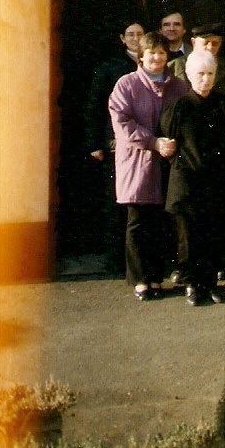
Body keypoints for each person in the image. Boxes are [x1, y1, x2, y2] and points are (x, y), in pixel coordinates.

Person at [160, 50, 225, 306]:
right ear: (188, 75)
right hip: (187, 183)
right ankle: (193, 284)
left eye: (210, 74)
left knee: (213, 235)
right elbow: (169, 143)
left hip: (216, 182)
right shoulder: (179, 107)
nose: (205, 79)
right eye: (200, 74)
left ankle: (210, 284)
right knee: (189, 237)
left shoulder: (224, 105)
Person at [108, 31, 189, 301]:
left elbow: (186, 119)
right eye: (151, 53)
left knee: (162, 224)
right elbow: (121, 123)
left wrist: (174, 144)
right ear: (141, 56)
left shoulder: (178, 86)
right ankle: (140, 280)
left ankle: (157, 277)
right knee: (138, 222)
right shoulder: (126, 84)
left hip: (168, 164)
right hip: (138, 163)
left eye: (161, 53)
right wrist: (153, 142)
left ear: (168, 56)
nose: (156, 58)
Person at [84, 19, 144, 272]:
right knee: (115, 202)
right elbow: (96, 106)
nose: (134, 38)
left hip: (145, 143)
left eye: (139, 34)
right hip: (114, 143)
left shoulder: (154, 62)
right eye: (130, 34)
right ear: (122, 38)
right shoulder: (110, 68)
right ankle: (115, 259)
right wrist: (94, 142)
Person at [168, 23, 225, 98]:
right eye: (206, 43)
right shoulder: (174, 66)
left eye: (215, 44)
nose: (210, 48)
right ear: (193, 42)